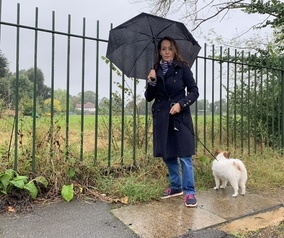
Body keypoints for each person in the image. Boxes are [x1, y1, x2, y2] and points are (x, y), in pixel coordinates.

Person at [144, 36, 199, 207]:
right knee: (168, 155)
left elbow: (194, 92)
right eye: (163, 49)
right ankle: (176, 187)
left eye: (170, 48)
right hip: (162, 117)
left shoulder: (183, 68)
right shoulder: (155, 70)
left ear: (174, 50)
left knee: (184, 155)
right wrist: (152, 82)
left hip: (179, 117)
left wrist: (180, 105)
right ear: (159, 51)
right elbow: (148, 98)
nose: (167, 52)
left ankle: (189, 191)